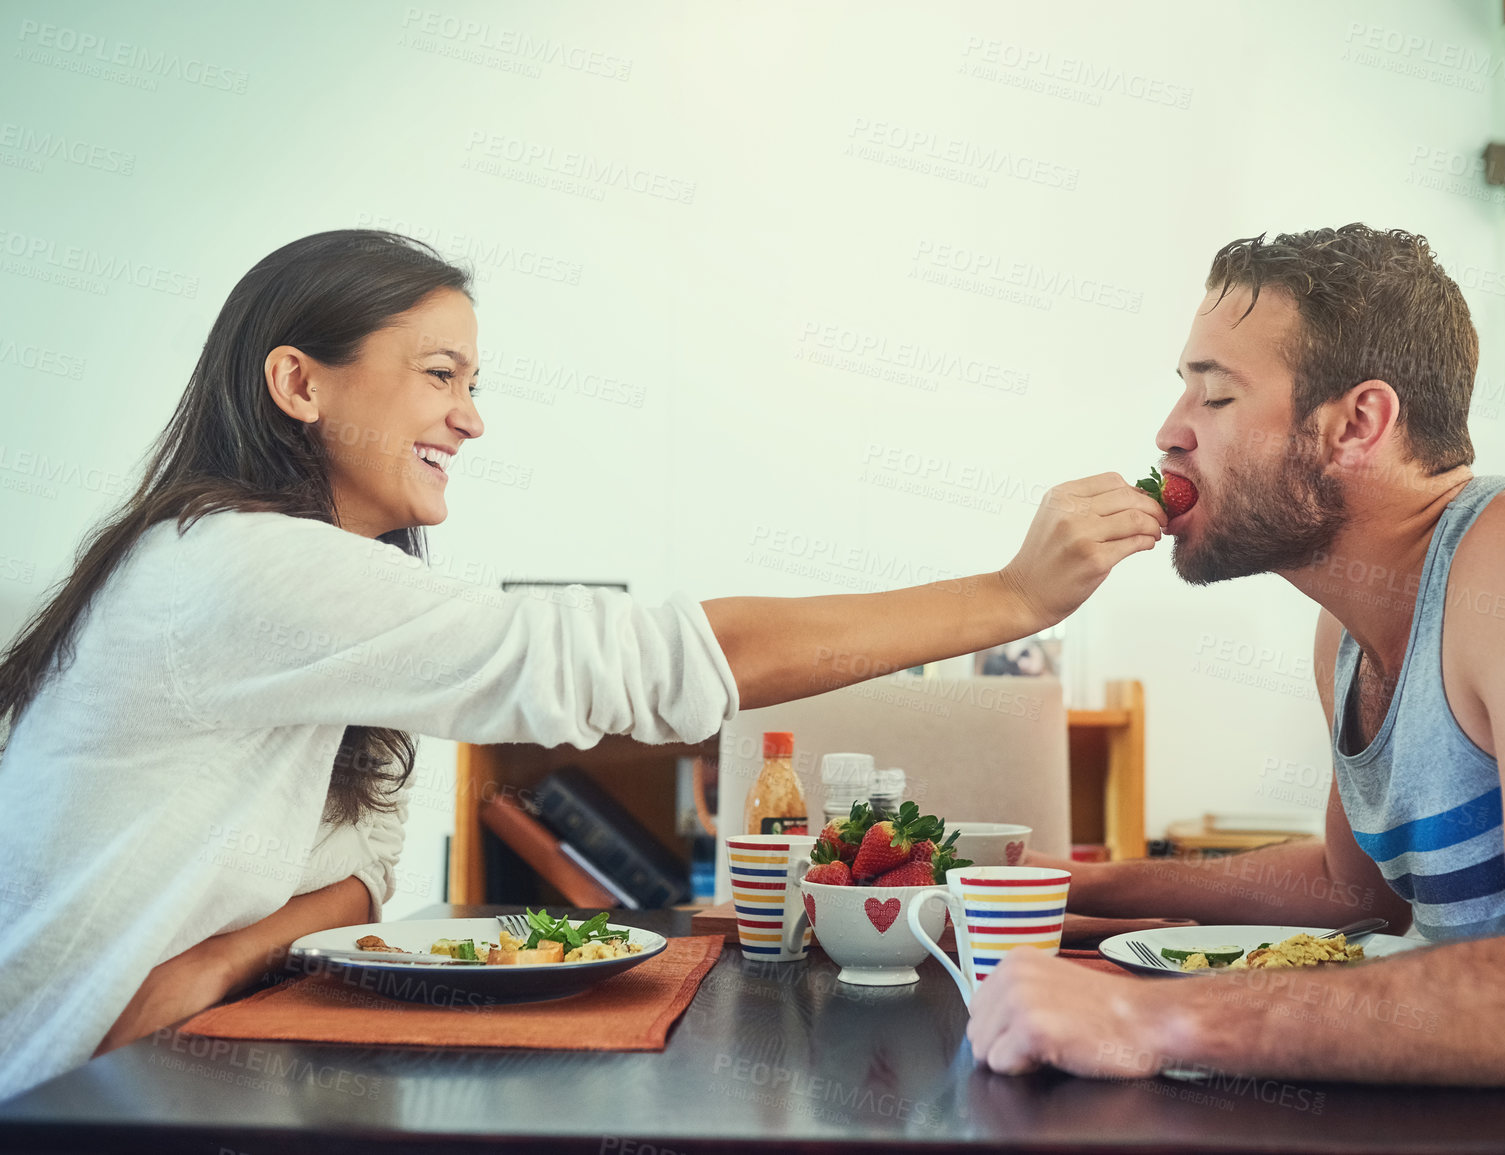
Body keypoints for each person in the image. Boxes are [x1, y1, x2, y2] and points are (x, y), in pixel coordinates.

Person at [0, 230, 1167, 1098]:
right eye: (439, 374)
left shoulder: (325, 596)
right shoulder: (237, 568)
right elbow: (636, 666)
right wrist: (1009, 597)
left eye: (474, 382)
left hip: (174, 1060)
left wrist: (211, 959)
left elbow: (364, 873)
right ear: (301, 383)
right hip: (74, 1087)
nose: (470, 419)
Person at [967, 224, 1505, 1088]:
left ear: (1355, 423)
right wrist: (1071, 886)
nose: (1169, 432)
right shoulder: (1343, 631)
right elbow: (1353, 893)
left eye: (1213, 398)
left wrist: (1151, 1016)